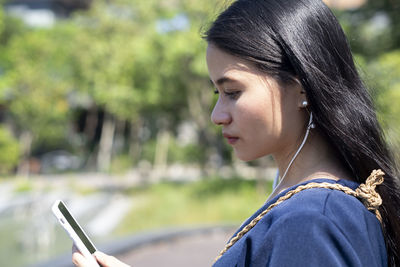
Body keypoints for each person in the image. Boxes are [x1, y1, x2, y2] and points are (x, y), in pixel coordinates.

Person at [73, 0, 400, 266]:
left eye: (233, 92)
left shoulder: (312, 221)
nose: (217, 116)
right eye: (217, 94)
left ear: (301, 89)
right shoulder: (319, 205)